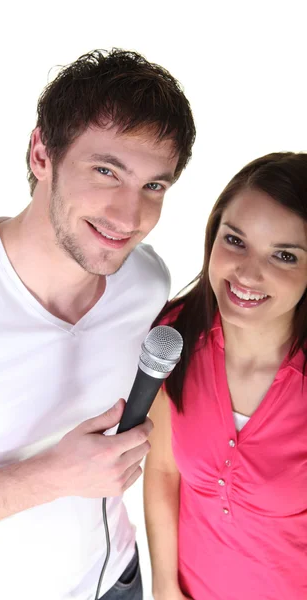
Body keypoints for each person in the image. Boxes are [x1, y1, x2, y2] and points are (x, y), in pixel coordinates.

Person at [0, 49, 195, 600]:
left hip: (118, 582)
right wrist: (49, 477)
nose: (128, 216)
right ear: (42, 153)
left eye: (153, 186)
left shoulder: (146, 282)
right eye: (106, 170)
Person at [144, 151, 307, 600]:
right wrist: (164, 586)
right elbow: (162, 470)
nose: (249, 274)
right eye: (235, 241)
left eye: (285, 256)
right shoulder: (176, 332)